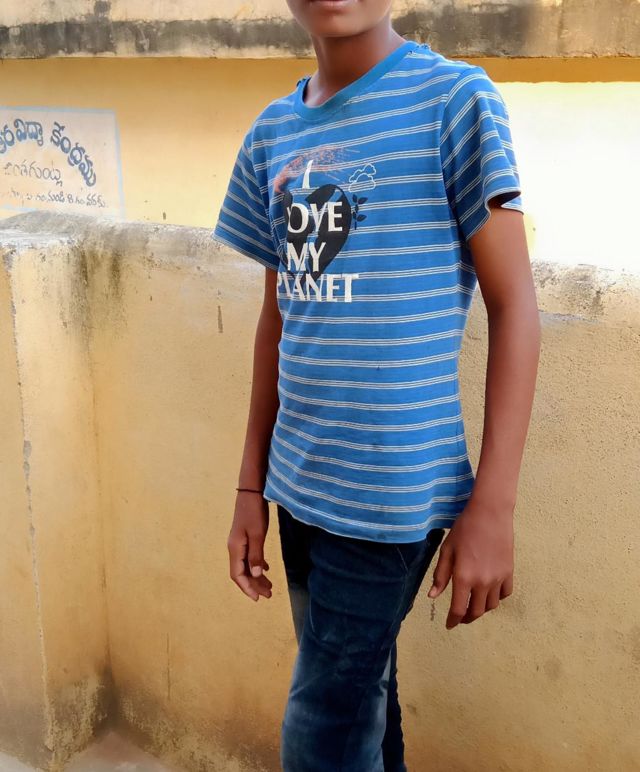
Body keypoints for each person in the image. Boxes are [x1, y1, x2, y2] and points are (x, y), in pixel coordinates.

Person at [212, 1, 540, 769]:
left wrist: (493, 505)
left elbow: (515, 306)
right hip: (301, 485)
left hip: (392, 496)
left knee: (322, 730)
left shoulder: (454, 102)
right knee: (361, 703)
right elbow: (278, 321)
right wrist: (250, 487)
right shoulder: (272, 133)